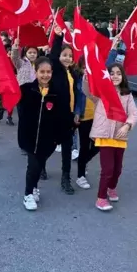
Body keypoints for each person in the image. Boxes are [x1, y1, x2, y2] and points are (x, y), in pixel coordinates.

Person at [83, 63, 137, 211]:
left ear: (123, 76)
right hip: (104, 135)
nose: (115, 76)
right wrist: (86, 75)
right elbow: (87, 90)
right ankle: (101, 198)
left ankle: (111, 188)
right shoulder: (101, 92)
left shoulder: (127, 95)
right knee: (108, 169)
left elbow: (134, 113)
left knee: (117, 169)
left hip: (120, 136)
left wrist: (127, 125)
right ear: (107, 75)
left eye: (118, 73)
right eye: (112, 73)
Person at [18, 57, 66, 211]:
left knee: (40, 164)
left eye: (48, 72)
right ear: (36, 72)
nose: (45, 75)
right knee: (33, 165)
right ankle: (28, 194)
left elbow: (61, 116)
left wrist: (58, 137)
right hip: (29, 137)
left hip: (47, 139)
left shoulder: (56, 92)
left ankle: (34, 186)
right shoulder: (26, 89)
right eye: (42, 72)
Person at [49, 26, 80, 195]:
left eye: (70, 56)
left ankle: (65, 178)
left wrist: (76, 113)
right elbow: (53, 57)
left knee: (67, 149)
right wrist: (58, 37)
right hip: (54, 116)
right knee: (48, 146)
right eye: (64, 55)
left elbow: (76, 95)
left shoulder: (73, 74)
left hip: (68, 117)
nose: (67, 58)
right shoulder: (56, 70)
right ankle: (41, 168)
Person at [75, 55, 100, 189]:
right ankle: (80, 175)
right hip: (85, 117)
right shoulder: (79, 79)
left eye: (88, 66)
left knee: (98, 144)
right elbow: (78, 97)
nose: (86, 69)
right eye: (84, 67)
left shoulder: (98, 78)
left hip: (98, 117)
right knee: (84, 146)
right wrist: (77, 113)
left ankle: (82, 162)